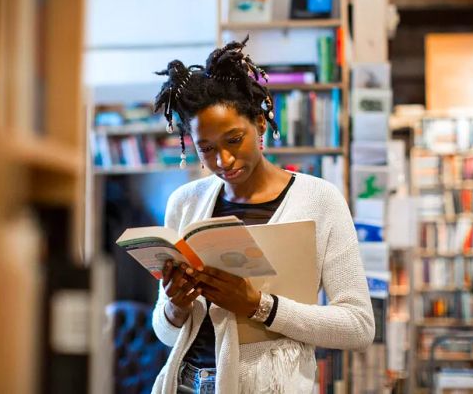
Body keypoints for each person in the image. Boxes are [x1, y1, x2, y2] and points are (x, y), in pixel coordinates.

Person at [149, 37, 374, 393]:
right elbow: (164, 333)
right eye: (206, 148)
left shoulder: (319, 200)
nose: (222, 161)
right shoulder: (185, 202)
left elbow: (359, 326)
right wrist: (175, 307)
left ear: (260, 124)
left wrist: (260, 306)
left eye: (234, 139)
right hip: (184, 383)